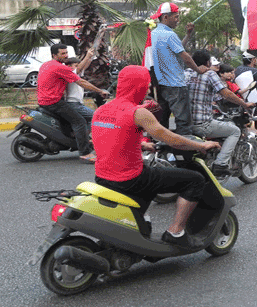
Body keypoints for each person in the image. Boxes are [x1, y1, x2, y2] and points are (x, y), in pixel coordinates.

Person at [92, 65, 221, 248]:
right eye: (146, 85)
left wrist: (141, 144)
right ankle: (176, 232)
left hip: (102, 177)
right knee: (195, 180)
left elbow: (109, 137)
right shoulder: (137, 112)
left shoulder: (102, 109)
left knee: (154, 175)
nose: (147, 89)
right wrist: (200, 145)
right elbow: (170, 138)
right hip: (130, 179)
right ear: (140, 86)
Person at [38, 43, 109, 164]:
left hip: (44, 101)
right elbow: (81, 81)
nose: (66, 55)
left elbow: (80, 69)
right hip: (54, 102)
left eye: (66, 53)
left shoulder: (46, 65)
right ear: (54, 55)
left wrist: (88, 56)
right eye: (63, 53)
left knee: (71, 121)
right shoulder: (60, 67)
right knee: (79, 121)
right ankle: (85, 153)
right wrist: (99, 90)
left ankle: (75, 139)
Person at [188, 50, 255, 176]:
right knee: (234, 131)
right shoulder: (209, 74)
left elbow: (215, 97)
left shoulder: (186, 73)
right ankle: (220, 164)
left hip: (185, 124)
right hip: (202, 124)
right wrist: (244, 104)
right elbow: (226, 93)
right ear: (208, 62)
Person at [150, 2, 209, 135]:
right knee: (183, 123)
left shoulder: (154, 34)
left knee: (162, 123)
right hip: (176, 85)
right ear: (165, 17)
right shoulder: (169, 35)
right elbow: (185, 57)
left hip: (161, 85)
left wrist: (188, 35)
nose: (178, 20)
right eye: (176, 17)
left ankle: (161, 151)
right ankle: (184, 153)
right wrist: (199, 70)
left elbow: (176, 49)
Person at [64, 48, 96, 128]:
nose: (78, 67)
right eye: (76, 66)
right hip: (73, 104)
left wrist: (90, 57)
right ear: (69, 66)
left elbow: (84, 66)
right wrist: (87, 56)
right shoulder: (69, 73)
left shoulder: (76, 74)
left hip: (77, 103)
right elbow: (80, 69)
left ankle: (85, 137)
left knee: (88, 121)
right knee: (96, 116)